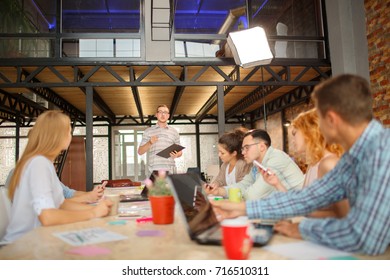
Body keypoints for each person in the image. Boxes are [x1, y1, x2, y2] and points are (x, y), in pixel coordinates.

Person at [211, 74, 390, 255]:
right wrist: (241, 209)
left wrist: (302, 230)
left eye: (318, 117)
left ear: (332, 119)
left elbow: (364, 238)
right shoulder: (354, 156)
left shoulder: (382, 153)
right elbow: (307, 198)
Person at [2, 110, 112, 243]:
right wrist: (93, 213)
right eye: (69, 131)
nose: (70, 136)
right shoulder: (39, 163)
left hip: (36, 240)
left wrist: (100, 209)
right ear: (58, 135)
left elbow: (61, 205)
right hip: (23, 246)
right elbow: (47, 217)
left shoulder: (43, 162)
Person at [262, 108, 349, 218]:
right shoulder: (313, 164)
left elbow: (344, 216)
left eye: (294, 133)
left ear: (310, 132)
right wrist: (276, 183)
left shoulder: (329, 164)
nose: (292, 139)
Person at [206, 129, 304, 200]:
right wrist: (219, 191)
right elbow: (244, 185)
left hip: (299, 214)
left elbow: (252, 195)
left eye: (247, 148)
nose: (243, 152)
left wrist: (230, 193)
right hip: (283, 211)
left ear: (261, 147)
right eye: (242, 149)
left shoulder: (276, 159)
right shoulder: (257, 164)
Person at [4, 168, 105, 204]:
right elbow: (54, 206)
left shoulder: (45, 169)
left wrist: (93, 194)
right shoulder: (25, 172)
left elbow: (67, 193)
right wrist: (88, 198)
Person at [138, 104, 182, 178]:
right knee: (154, 190)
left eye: (165, 112)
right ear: (156, 114)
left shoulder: (174, 132)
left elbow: (180, 152)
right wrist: (150, 142)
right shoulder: (148, 131)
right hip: (154, 171)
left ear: (168, 115)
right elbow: (140, 151)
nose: (163, 114)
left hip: (170, 171)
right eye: (160, 112)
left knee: (171, 190)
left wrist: (177, 154)